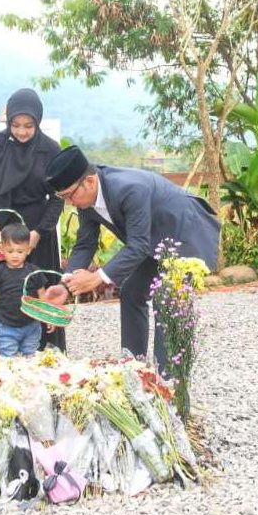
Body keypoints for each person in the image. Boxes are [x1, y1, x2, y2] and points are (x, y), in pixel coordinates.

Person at [45, 145, 220, 375]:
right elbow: (86, 243)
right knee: (131, 292)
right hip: (153, 242)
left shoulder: (129, 188)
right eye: (63, 197)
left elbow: (138, 245)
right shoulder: (85, 200)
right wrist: (65, 285)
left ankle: (168, 386)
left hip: (187, 235)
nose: (69, 203)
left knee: (167, 300)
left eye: (69, 195)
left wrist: (97, 278)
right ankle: (134, 371)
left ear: (88, 181)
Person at [0, 88, 66, 354]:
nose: (22, 132)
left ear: (38, 122)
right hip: (1, 225)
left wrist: (39, 232)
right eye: (16, 125)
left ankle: (46, 355)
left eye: (29, 126)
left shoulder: (50, 149)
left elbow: (58, 197)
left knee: (40, 286)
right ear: (9, 122)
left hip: (39, 228)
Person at [0, 223, 48, 357]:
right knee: (8, 357)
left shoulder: (34, 272)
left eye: (20, 251)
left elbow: (42, 295)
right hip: (6, 326)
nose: (15, 255)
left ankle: (29, 377)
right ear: (1, 249)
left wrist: (46, 317)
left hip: (31, 325)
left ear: (28, 249)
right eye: (10, 251)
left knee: (30, 356)